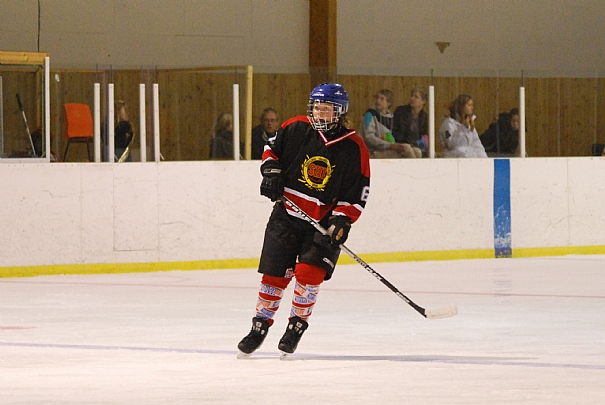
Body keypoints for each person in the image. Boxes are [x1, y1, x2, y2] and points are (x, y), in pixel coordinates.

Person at [237, 82, 371, 357]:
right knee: (274, 275)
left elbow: (357, 191)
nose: (320, 113)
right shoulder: (297, 126)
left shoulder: (353, 146)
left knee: (309, 274)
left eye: (327, 109)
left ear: (340, 112)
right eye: (317, 108)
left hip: (323, 222)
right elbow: (271, 149)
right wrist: (271, 172)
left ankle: (296, 326)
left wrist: (342, 220)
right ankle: (259, 326)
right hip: (286, 214)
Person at [358, 89, 410, 158]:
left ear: (389, 103)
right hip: (370, 152)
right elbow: (369, 138)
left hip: (384, 149)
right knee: (400, 152)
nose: (378, 100)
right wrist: (390, 145)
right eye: (377, 98)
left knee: (416, 151)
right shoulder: (370, 115)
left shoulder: (391, 117)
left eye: (382, 99)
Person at [392, 87, 429, 158]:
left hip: (417, 146)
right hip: (401, 143)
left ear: (423, 101)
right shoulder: (401, 111)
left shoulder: (425, 117)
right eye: (412, 96)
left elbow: (425, 136)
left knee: (418, 151)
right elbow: (395, 131)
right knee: (409, 150)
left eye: (416, 97)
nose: (412, 98)